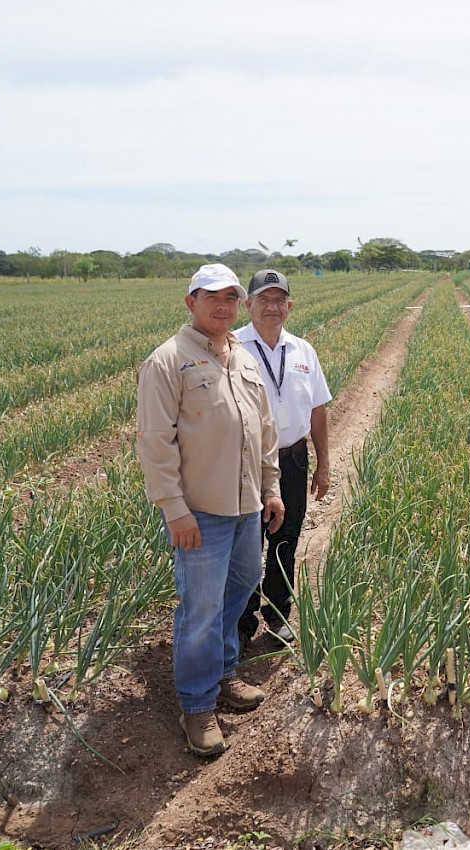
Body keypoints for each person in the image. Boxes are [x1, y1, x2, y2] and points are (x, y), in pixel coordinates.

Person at [136, 263, 286, 757]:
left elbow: (263, 431)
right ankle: (197, 705)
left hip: (245, 506)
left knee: (240, 588)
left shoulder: (240, 356)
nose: (222, 306)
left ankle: (222, 675)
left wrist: (271, 488)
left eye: (230, 298)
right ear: (190, 302)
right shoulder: (167, 361)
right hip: (199, 511)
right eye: (211, 297)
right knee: (200, 607)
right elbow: (155, 445)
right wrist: (174, 510)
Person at [235, 270, 332, 648]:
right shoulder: (232, 347)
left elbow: (319, 411)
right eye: (264, 299)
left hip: (292, 458)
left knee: (286, 538)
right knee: (245, 543)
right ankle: (242, 624)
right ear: (249, 305)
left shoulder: (303, 350)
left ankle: (278, 614)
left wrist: (323, 463)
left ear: (289, 306)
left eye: (280, 300)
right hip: (245, 463)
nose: (272, 307)